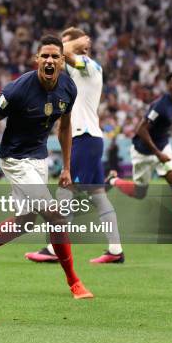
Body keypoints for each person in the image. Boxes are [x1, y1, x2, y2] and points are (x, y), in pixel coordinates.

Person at [0, 35, 94, 299]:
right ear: (37, 59)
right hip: (16, 159)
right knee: (55, 215)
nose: (50, 60)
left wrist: (66, 168)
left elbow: (65, 127)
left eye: (55, 56)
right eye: (45, 56)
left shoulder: (68, 88)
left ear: (63, 61)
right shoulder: (18, 89)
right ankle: (74, 282)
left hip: (39, 158)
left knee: (24, 221)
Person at [25, 27, 124, 264]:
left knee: (64, 190)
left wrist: (75, 44)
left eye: (65, 46)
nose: (57, 57)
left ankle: (53, 248)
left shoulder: (88, 66)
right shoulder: (74, 73)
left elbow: (62, 52)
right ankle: (116, 250)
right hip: (89, 138)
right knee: (99, 198)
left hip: (85, 137)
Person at [106, 71, 172, 243]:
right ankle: (113, 180)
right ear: (168, 86)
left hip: (163, 148)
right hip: (144, 152)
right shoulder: (160, 105)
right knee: (140, 193)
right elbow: (141, 129)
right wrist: (157, 154)